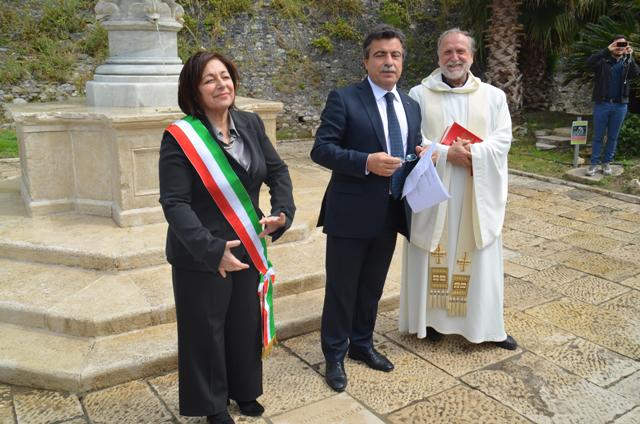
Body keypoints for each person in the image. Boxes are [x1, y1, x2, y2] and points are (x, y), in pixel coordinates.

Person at [159, 51, 295, 424]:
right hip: (202, 254)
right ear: (193, 90)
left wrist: (282, 211)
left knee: (243, 323)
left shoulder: (250, 123)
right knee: (206, 331)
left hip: (249, 244)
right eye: (209, 80)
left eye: (225, 76)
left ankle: (245, 390)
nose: (221, 85)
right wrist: (210, 249)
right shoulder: (180, 137)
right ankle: (212, 405)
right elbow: (174, 202)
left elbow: (278, 171)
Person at [311, 24, 422, 392]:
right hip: (350, 212)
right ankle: (334, 355)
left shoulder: (410, 105)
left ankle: (362, 344)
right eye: (380, 55)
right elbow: (321, 149)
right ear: (366, 60)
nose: (389, 62)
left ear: (402, 61)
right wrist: (365, 162)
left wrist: (423, 154)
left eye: (395, 55)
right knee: (342, 288)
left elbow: (412, 145)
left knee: (372, 287)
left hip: (391, 211)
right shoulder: (344, 99)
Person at [399, 28, 517, 351]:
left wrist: (474, 155)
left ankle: (486, 326)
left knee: (477, 255)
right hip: (436, 191)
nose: (454, 58)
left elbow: (503, 139)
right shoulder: (419, 95)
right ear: (438, 57)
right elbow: (413, 139)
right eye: (448, 52)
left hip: (475, 192)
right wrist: (445, 153)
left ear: (472, 57)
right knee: (434, 250)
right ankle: (431, 321)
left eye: (461, 52)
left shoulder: (493, 97)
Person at [585, 35, 639, 176]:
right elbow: (589, 62)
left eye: (623, 44)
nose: (620, 47)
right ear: (612, 44)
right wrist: (606, 50)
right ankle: (593, 164)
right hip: (602, 104)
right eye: (617, 44)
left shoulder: (627, 63)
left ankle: (606, 163)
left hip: (620, 106)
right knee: (598, 135)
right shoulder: (603, 61)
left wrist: (630, 56)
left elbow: (636, 73)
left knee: (613, 136)